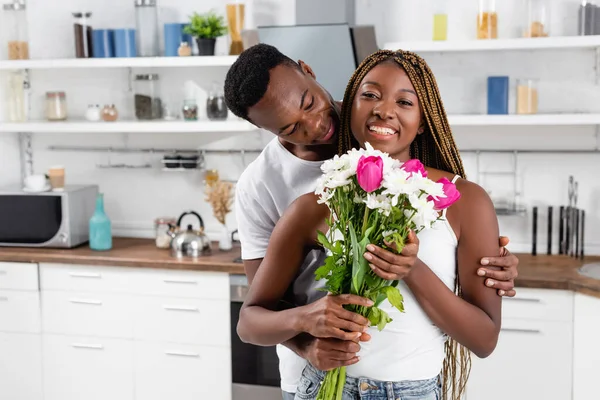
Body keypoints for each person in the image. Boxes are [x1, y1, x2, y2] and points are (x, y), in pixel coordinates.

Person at [224, 44, 517, 399]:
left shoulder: (457, 195)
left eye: (310, 104)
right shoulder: (286, 195)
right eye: (291, 127)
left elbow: (483, 336)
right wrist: (305, 341)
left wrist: (420, 266)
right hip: (315, 377)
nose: (316, 126)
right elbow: (256, 314)